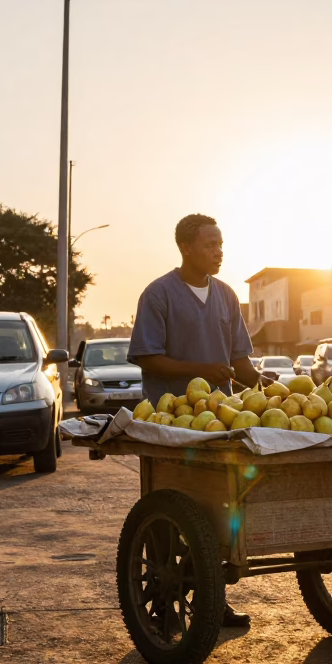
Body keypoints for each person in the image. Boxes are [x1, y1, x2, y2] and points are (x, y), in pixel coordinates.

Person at [129, 213, 264, 628]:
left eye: (221, 244)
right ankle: (163, 605)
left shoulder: (226, 295)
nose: (219, 251)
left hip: (218, 423)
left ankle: (210, 601)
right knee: (174, 514)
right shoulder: (159, 294)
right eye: (210, 244)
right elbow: (146, 356)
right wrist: (203, 368)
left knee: (218, 511)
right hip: (173, 420)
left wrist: (265, 384)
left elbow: (239, 360)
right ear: (186, 247)